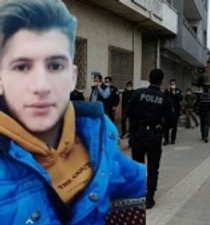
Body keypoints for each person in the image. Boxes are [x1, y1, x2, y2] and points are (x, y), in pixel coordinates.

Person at [0, 0, 146, 224]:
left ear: (73, 77)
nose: (41, 86)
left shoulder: (96, 134)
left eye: (55, 66)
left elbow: (135, 183)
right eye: (22, 67)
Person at [127, 68, 173, 209]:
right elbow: (171, 121)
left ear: (148, 78)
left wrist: (134, 129)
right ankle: (149, 199)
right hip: (154, 136)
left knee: (138, 167)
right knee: (153, 169)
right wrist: (162, 129)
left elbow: (128, 112)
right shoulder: (164, 98)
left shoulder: (137, 94)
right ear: (162, 80)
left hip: (138, 135)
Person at [163, 79, 183, 145]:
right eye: (171, 84)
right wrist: (168, 92)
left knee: (174, 126)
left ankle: (173, 139)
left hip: (175, 110)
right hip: (167, 110)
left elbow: (180, 98)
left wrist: (175, 94)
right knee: (166, 126)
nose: (172, 85)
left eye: (173, 84)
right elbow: (164, 98)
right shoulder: (167, 90)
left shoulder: (178, 91)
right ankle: (166, 139)